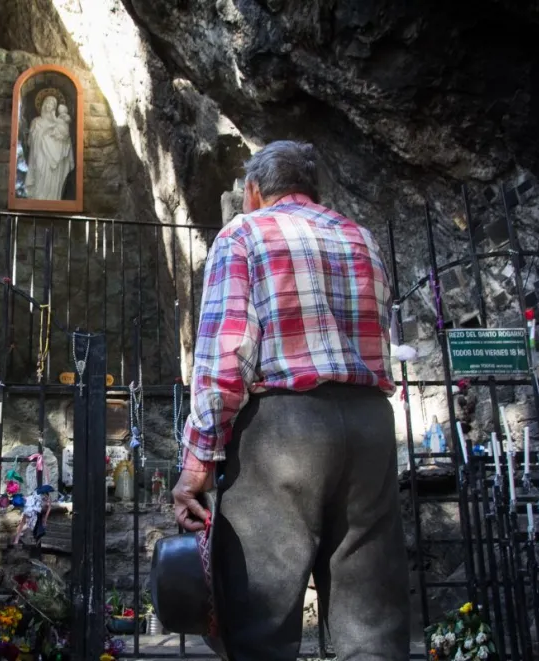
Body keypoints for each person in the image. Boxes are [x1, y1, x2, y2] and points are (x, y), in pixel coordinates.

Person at [171, 141, 410, 660]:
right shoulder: (359, 237)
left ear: (254, 191)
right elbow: (380, 337)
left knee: (263, 617)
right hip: (368, 423)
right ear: (312, 189)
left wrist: (197, 461)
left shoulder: (244, 232)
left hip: (284, 429)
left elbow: (225, 354)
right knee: (371, 618)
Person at [24, 95, 74, 200]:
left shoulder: (58, 122)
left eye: (51, 104)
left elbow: (65, 139)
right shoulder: (36, 121)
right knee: (40, 172)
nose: (48, 105)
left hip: (54, 158)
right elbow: (30, 141)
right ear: (42, 105)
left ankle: (52, 198)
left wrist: (57, 136)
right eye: (46, 102)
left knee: (52, 178)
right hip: (40, 153)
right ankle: (37, 198)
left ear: (54, 108)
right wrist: (44, 133)